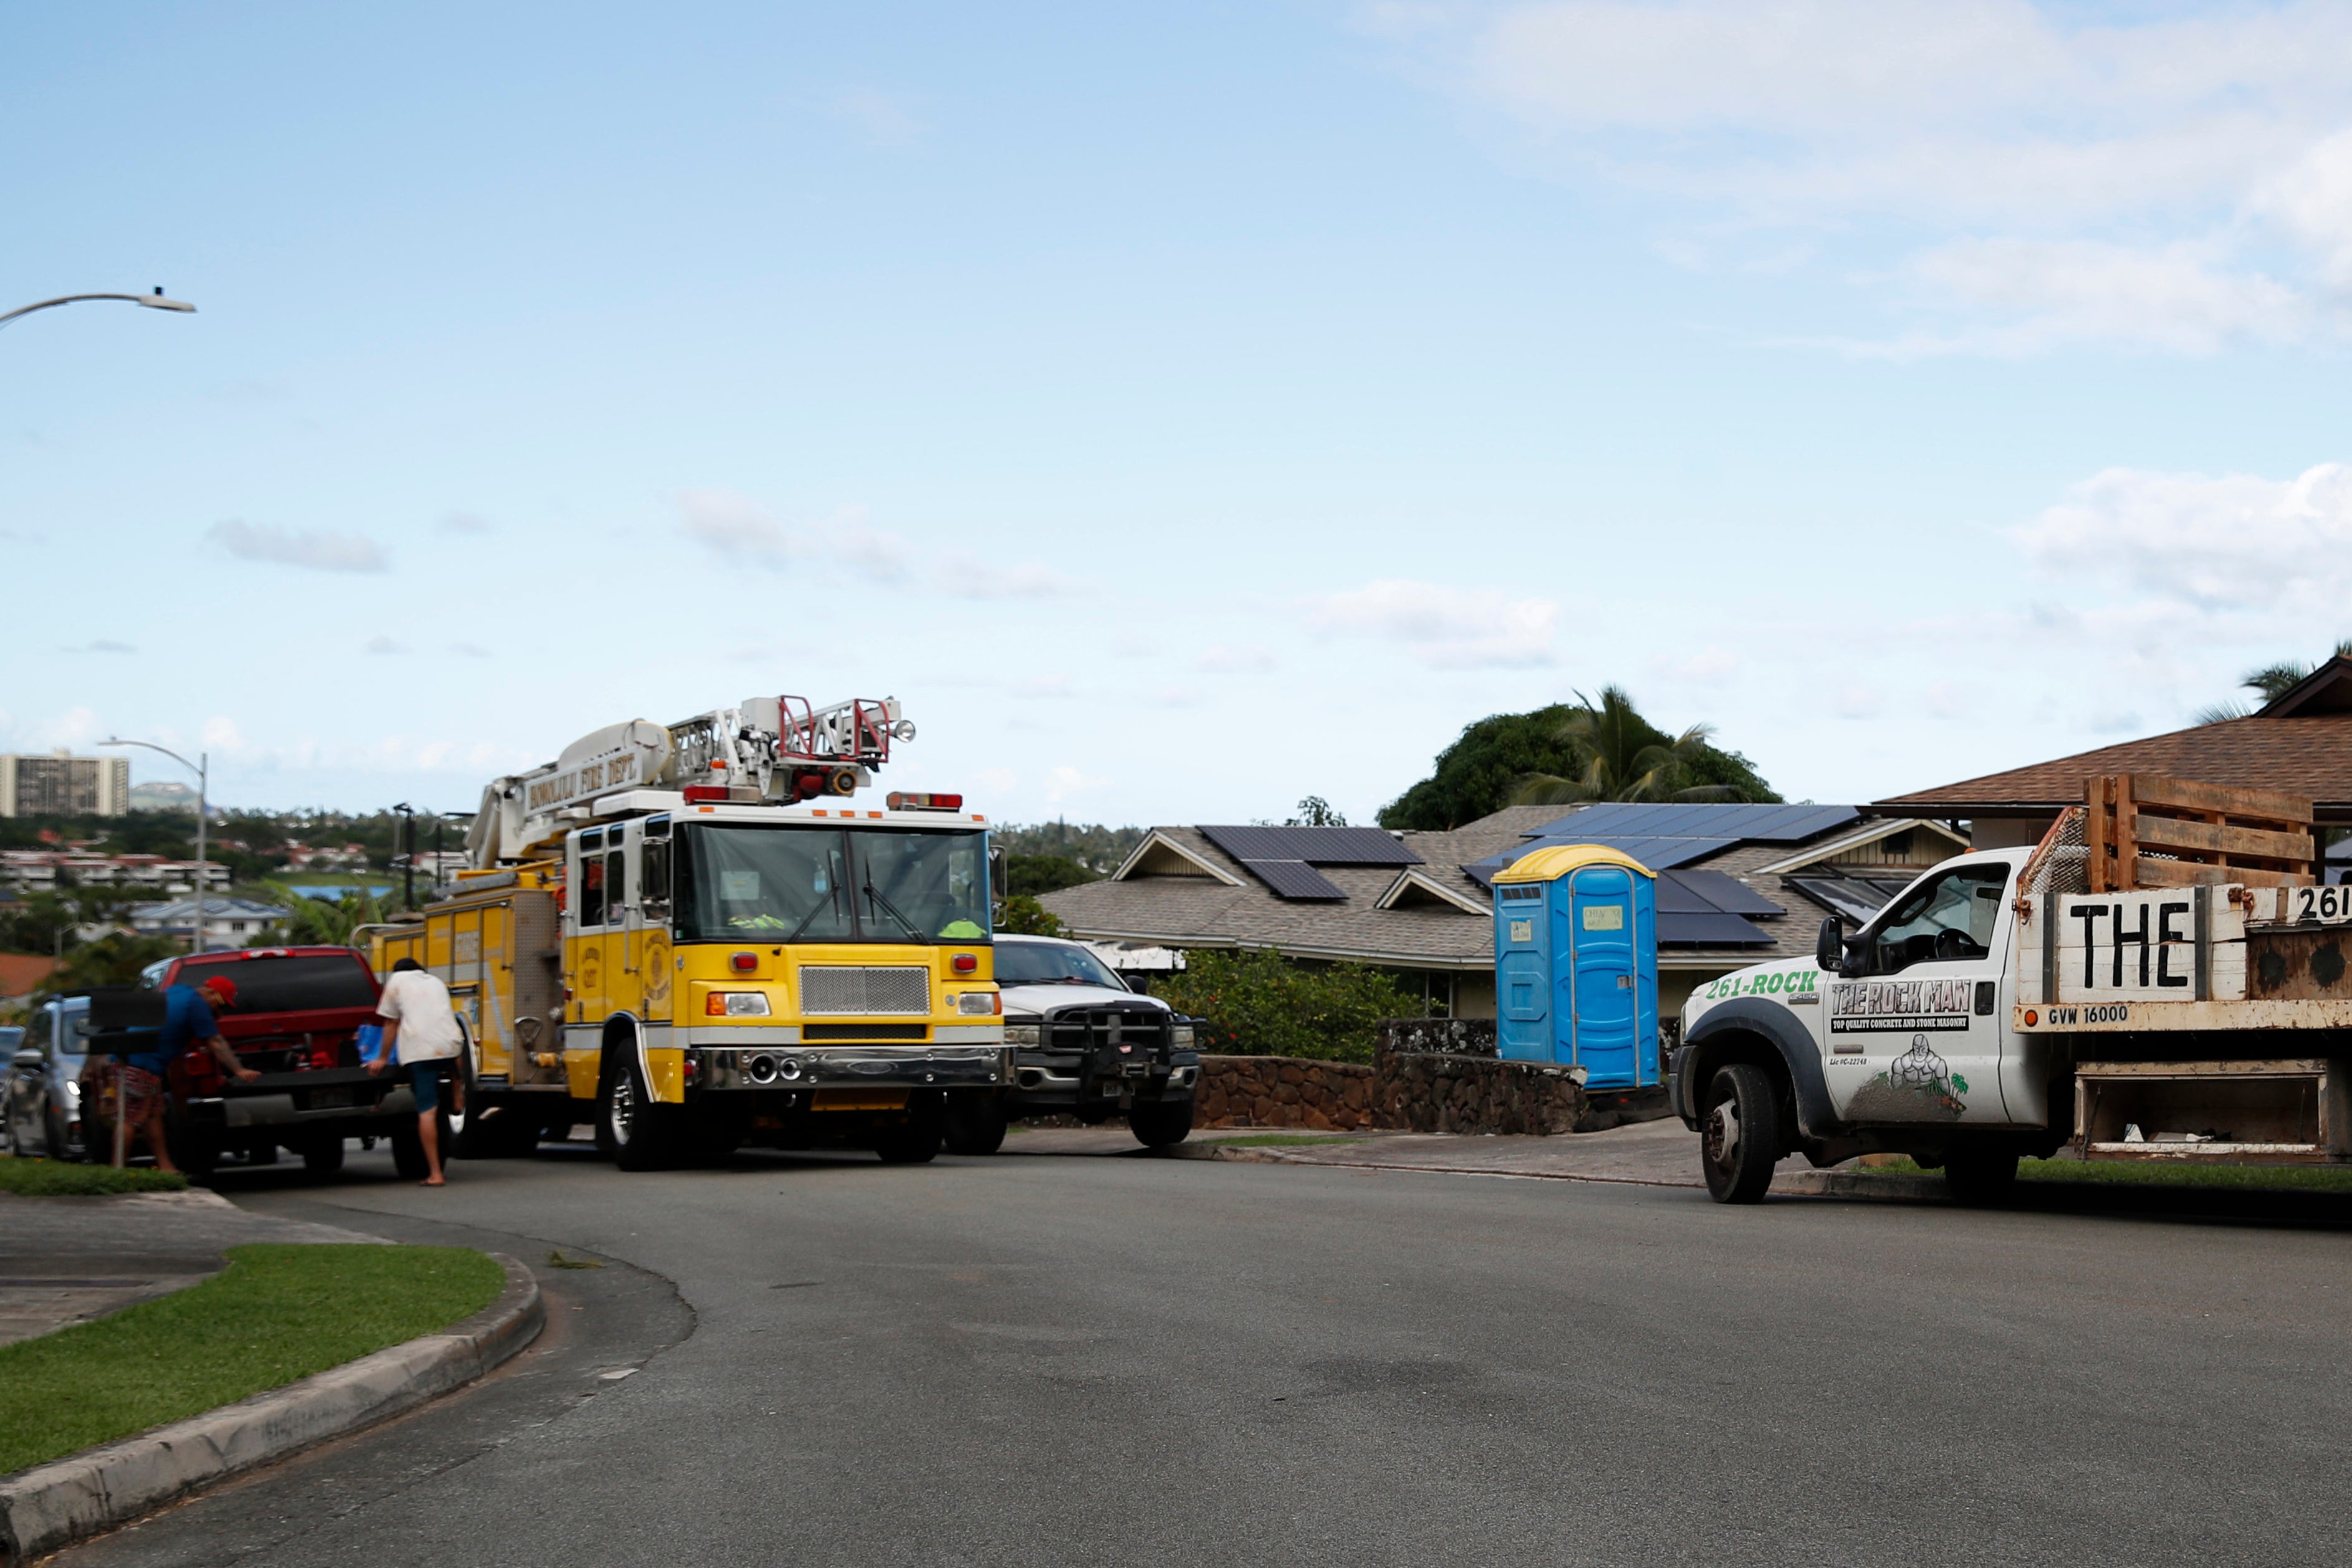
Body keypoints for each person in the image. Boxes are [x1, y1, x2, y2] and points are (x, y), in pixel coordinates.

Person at [107, 974, 261, 1174]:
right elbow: (215, 1042)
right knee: (130, 1117)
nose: (219, 1011)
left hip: (135, 1061)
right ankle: (116, 1170)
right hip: (138, 1064)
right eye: (221, 1005)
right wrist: (238, 1069)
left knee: (153, 1115)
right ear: (212, 994)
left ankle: (166, 1166)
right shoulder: (197, 1006)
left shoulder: (178, 991)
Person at [368, 957, 463, 1186]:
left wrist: (381, 1058)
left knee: (427, 1112)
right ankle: (458, 1096)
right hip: (452, 1046)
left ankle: (435, 1174)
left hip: (421, 1052)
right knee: (452, 1061)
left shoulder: (396, 981)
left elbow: (391, 1024)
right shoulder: (435, 981)